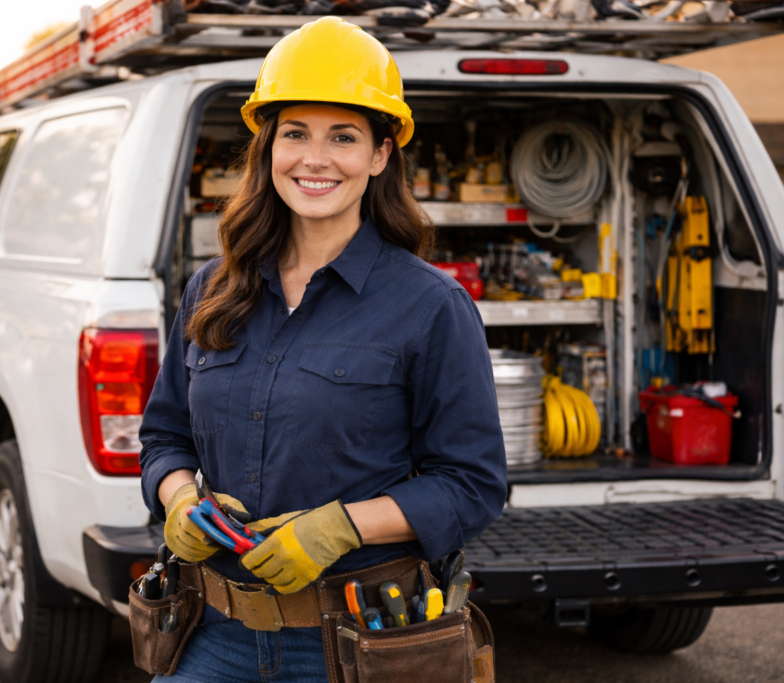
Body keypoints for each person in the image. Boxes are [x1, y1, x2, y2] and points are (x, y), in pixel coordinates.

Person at [138, 16, 507, 682]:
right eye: (295, 134)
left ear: (380, 155)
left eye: (343, 136)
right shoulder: (211, 289)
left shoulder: (430, 307)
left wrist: (341, 526)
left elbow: (472, 484)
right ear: (267, 147)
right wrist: (177, 499)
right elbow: (165, 434)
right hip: (210, 636)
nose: (315, 158)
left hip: (359, 644)